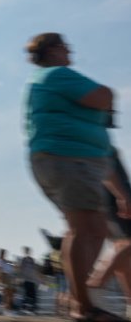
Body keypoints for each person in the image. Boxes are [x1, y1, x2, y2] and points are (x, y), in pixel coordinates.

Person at [25, 32, 131, 322]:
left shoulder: (79, 118)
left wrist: (120, 193)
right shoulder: (56, 74)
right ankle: (83, 307)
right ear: (53, 51)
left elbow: (104, 153)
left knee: (92, 228)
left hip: (71, 161)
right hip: (66, 159)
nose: (69, 49)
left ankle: (82, 303)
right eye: (63, 45)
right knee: (84, 229)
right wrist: (107, 98)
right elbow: (103, 95)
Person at [89, 149, 131, 316]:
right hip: (114, 193)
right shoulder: (101, 142)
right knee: (126, 244)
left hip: (105, 196)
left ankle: (130, 304)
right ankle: (95, 284)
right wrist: (123, 196)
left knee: (122, 249)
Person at [0, 249, 16, 315]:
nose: (4, 255)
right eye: (3, 253)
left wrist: (12, 263)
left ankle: (5, 307)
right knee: (6, 293)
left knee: (10, 294)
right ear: (0, 254)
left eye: (4, 253)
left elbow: (12, 266)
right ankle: (5, 308)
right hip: (4, 276)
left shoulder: (5, 261)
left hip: (9, 277)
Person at [18, 246, 40, 314]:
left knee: (33, 295)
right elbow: (21, 269)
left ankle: (32, 308)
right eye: (27, 251)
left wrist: (37, 278)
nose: (28, 252)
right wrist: (20, 278)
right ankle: (24, 308)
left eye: (29, 251)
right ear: (25, 252)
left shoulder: (32, 260)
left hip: (32, 280)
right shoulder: (23, 260)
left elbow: (35, 269)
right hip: (26, 279)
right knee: (26, 294)